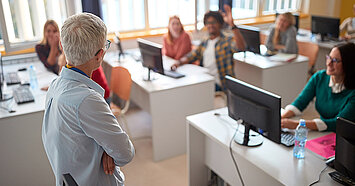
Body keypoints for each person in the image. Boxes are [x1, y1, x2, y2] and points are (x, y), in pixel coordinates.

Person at [42, 13, 135, 186]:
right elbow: (125, 153)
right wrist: (109, 148)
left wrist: (107, 148)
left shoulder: (55, 86)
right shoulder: (87, 100)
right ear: (99, 55)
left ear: (61, 46)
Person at [281, 43, 355, 132]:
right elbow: (300, 102)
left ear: (348, 64)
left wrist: (298, 124)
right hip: (324, 132)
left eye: (335, 60)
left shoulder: (352, 93)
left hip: (345, 136)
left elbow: (338, 123)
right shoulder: (319, 77)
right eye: (329, 57)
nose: (329, 63)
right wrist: (281, 117)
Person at [171, 5, 245, 91]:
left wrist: (232, 25)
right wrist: (178, 63)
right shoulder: (205, 41)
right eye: (208, 23)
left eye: (213, 22)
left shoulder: (226, 40)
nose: (210, 25)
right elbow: (192, 55)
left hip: (218, 83)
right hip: (204, 79)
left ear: (220, 24)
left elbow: (241, 48)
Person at [36, 20, 111, 104]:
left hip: (100, 96)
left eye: (54, 31)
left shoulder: (83, 58)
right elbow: (65, 75)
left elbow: (67, 75)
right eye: (49, 31)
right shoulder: (71, 57)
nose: (52, 35)